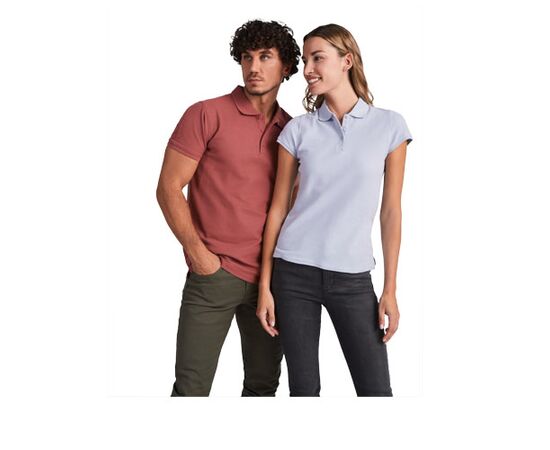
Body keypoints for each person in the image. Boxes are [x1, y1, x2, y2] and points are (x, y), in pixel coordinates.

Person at [256, 24, 413, 396]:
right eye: (305, 60)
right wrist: (265, 285)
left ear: (347, 61)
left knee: (375, 391)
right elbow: (277, 209)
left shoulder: (390, 126)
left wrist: (390, 288)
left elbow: (391, 212)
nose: (308, 69)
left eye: (317, 58)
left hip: (353, 279)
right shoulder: (298, 130)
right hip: (293, 274)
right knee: (304, 392)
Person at [156, 20, 301, 396]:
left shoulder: (292, 130)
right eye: (247, 58)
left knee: (263, 386)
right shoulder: (206, 113)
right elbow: (169, 187)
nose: (254, 67)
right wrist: (198, 254)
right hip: (213, 275)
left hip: (271, 279)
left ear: (286, 66)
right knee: (191, 390)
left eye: (265, 57)